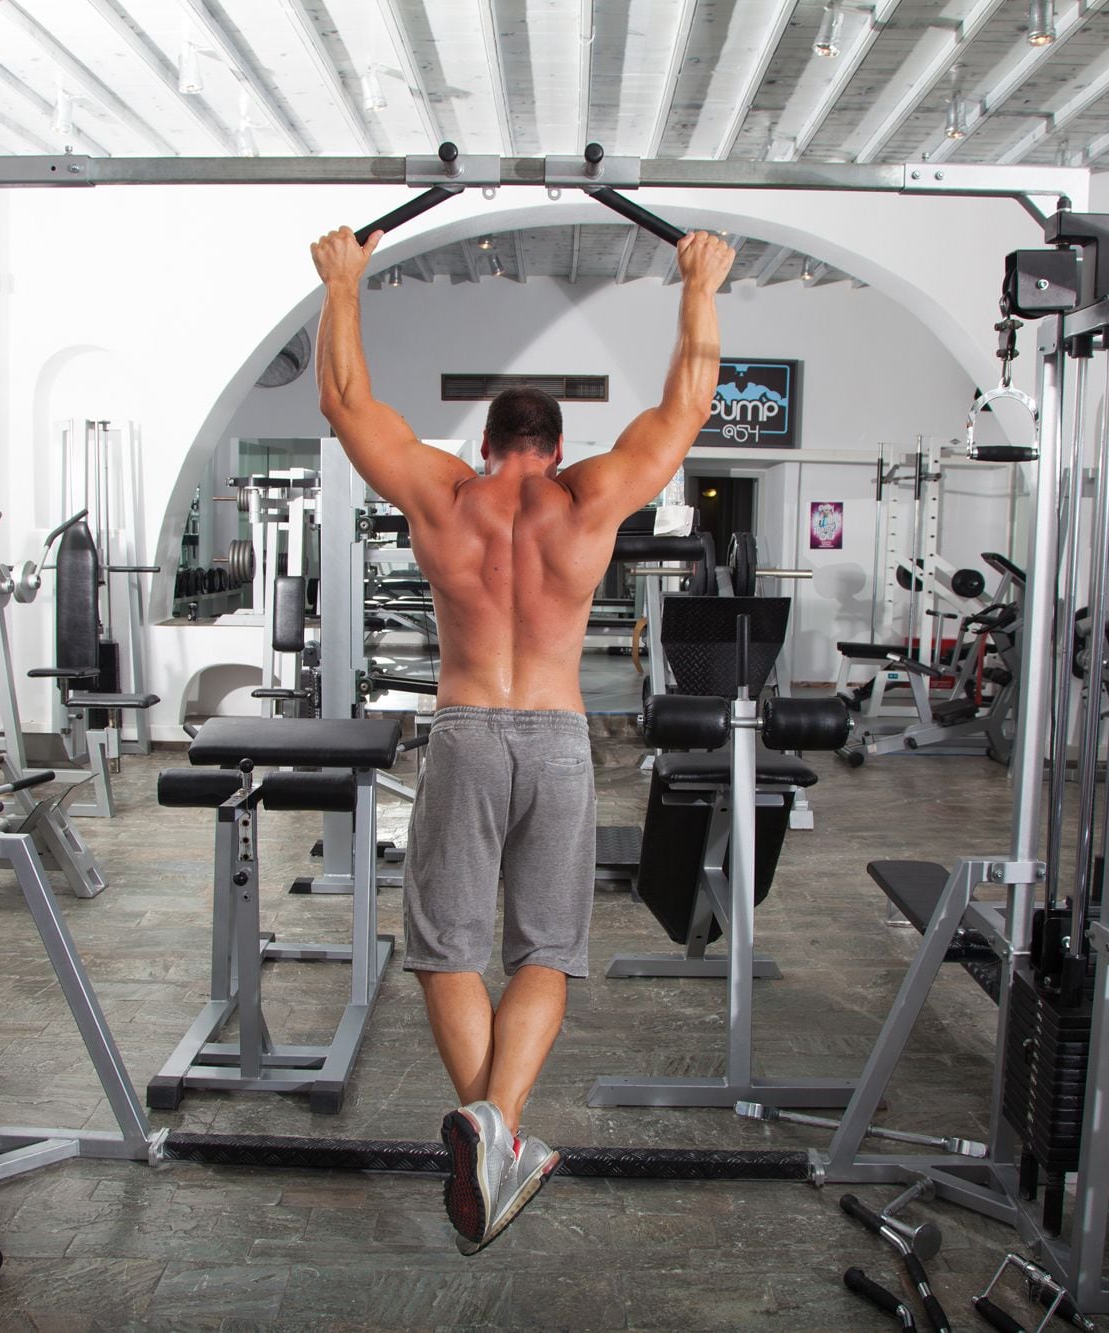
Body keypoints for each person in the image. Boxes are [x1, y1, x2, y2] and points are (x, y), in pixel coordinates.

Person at [310, 223, 736, 1252]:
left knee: (443, 950)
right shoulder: (589, 498)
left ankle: (487, 1131)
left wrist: (342, 285)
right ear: (553, 445)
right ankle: (496, 1136)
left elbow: (345, 404)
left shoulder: (441, 494)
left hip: (461, 730)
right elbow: (687, 402)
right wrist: (697, 287)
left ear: (488, 443)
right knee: (545, 948)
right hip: (553, 735)